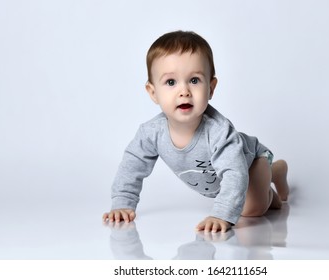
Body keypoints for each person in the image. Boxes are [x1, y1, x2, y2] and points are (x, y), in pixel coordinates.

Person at [103, 30, 289, 233]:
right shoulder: (151, 133)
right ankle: (276, 172)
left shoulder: (219, 132)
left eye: (194, 80)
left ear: (211, 88)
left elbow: (234, 174)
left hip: (250, 163)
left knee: (252, 209)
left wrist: (221, 214)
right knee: (245, 199)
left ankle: (269, 178)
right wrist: (122, 203)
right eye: (171, 82)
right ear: (153, 92)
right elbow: (132, 166)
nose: (184, 91)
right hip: (225, 181)